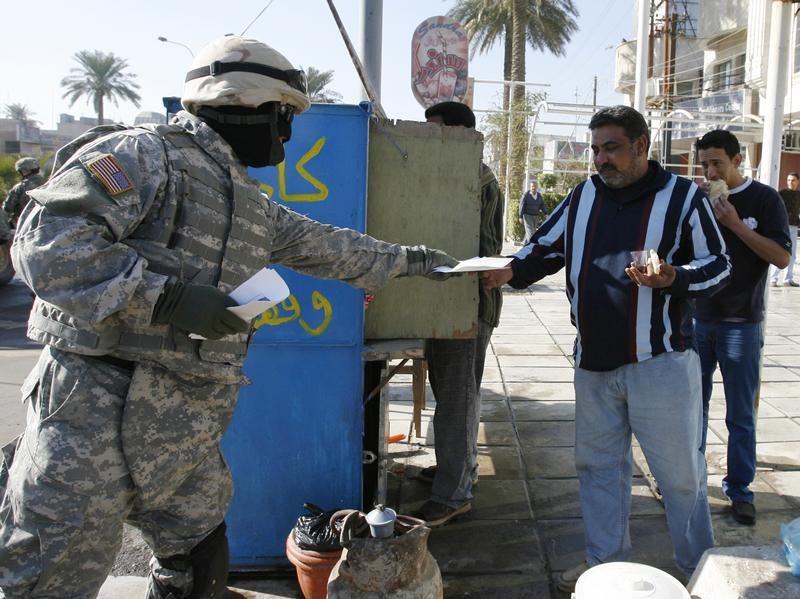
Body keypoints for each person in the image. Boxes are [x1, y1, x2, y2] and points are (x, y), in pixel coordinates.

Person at [0, 36, 456, 599]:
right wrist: (166, 299)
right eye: (284, 117)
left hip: (183, 429)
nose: (287, 134)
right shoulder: (146, 156)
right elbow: (47, 243)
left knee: (200, 562)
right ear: (249, 106)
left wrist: (417, 262)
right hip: (94, 413)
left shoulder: (242, 196)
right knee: (50, 579)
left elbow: (327, 245)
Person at [481, 105, 730, 592]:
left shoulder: (682, 199)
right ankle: (607, 569)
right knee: (598, 471)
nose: (601, 160)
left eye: (611, 148)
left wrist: (673, 277)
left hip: (660, 364)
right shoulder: (583, 196)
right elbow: (544, 247)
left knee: (680, 478)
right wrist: (509, 270)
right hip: (593, 365)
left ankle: (700, 571)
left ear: (641, 146)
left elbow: (719, 265)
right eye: (596, 150)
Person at [694, 129, 791, 526]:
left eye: (717, 162)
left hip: (742, 324)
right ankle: (691, 483)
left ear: (737, 161)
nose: (711, 171)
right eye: (704, 164)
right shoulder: (698, 200)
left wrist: (736, 224)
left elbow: (782, 258)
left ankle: (740, 489)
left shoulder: (765, 200)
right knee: (690, 410)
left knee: (741, 415)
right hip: (697, 319)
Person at [414, 101, 503, 526]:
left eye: (434, 131)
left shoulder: (473, 179)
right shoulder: (460, 175)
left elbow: (478, 251)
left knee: (455, 401)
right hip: (453, 305)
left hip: (467, 306)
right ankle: (458, 471)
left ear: (459, 135)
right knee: (456, 396)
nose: (428, 139)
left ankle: (452, 495)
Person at [769, 171, 800, 287]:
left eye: (793, 180)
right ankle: (773, 279)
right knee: (781, 251)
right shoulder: (781, 193)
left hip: (793, 226)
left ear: (798, 182)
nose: (790, 183)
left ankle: (788, 279)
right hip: (782, 226)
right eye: (788, 180)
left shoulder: (798, 195)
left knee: (792, 255)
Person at [3, 156, 45, 229]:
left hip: (25, 226)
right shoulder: (49, 182)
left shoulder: (19, 187)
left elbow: (7, 209)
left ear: (24, 171)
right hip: (48, 223)